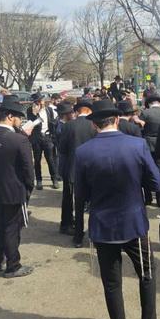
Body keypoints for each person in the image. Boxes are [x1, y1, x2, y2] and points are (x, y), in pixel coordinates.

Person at [74, 100, 160, 319]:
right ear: (117, 120)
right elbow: (156, 183)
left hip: (103, 225)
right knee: (147, 275)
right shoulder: (136, 145)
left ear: (94, 124)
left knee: (112, 284)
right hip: (133, 223)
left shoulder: (83, 152)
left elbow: (81, 194)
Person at [0, 95, 35, 278]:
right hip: (15, 189)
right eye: (19, 117)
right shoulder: (19, 140)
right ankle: (13, 265)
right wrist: (29, 188)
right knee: (12, 228)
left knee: (0, 225)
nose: (20, 121)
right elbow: (28, 169)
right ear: (11, 116)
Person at [57, 99, 97, 247]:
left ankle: (78, 236)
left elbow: (62, 149)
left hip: (73, 169)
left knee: (76, 204)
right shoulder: (95, 125)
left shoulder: (68, 126)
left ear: (77, 111)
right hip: (92, 169)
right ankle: (94, 234)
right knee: (94, 203)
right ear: (89, 110)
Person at [140, 94, 160, 205]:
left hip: (148, 144)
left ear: (149, 103)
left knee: (146, 171)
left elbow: (140, 128)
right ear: (159, 103)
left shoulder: (145, 113)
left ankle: (148, 198)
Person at [27, 94, 59, 190]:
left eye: (42, 100)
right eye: (41, 100)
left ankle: (54, 179)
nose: (43, 101)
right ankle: (39, 180)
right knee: (37, 160)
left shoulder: (49, 110)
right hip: (36, 138)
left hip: (47, 137)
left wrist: (53, 135)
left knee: (50, 159)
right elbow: (31, 124)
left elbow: (52, 122)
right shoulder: (30, 110)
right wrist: (35, 114)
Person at [55, 101, 76, 235]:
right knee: (68, 197)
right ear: (66, 114)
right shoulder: (62, 127)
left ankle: (68, 221)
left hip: (67, 163)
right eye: (71, 113)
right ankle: (66, 224)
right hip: (67, 164)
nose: (73, 115)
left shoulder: (63, 125)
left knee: (68, 196)